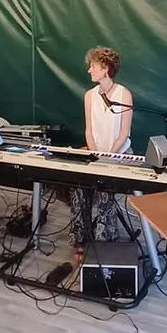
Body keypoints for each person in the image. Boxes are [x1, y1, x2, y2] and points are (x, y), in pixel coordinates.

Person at [69, 46, 133, 259]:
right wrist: (95, 155)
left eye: (93, 66)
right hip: (95, 154)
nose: (89, 70)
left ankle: (104, 243)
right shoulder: (89, 96)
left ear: (105, 69)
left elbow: (124, 133)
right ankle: (81, 239)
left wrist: (108, 157)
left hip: (119, 155)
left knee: (104, 191)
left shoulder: (124, 94)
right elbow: (89, 130)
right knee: (78, 188)